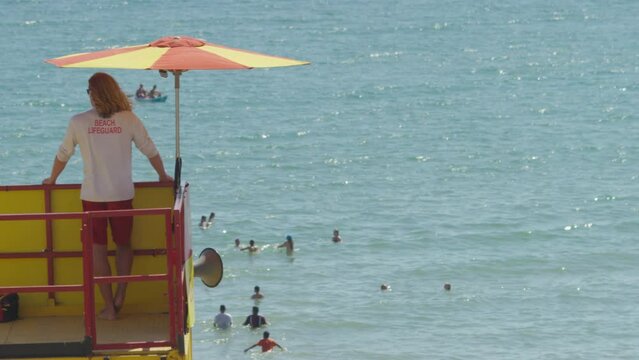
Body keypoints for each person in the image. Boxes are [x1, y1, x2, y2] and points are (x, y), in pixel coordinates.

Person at [43, 72, 172, 320]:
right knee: (124, 245)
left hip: (92, 195)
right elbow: (149, 149)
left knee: (98, 251)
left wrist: (52, 180)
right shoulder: (128, 119)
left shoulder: (78, 121)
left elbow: (63, 154)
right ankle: (121, 294)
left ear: (94, 93)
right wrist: (162, 175)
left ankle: (109, 308)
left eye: (89, 91)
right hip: (122, 193)